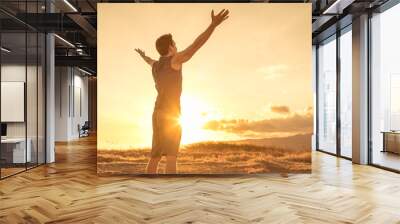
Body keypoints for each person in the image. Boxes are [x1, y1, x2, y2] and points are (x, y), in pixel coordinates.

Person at [135, 9, 230, 174]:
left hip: (157, 112)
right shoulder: (175, 60)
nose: (177, 45)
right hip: (171, 114)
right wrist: (213, 25)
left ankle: (149, 189)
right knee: (171, 156)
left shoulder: (156, 65)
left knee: (155, 156)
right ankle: (171, 194)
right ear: (171, 47)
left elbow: (149, 61)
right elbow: (196, 45)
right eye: (175, 43)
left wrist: (143, 56)